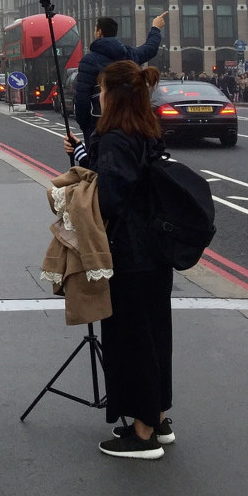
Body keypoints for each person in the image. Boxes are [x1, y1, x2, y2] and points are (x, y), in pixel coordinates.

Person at [63, 60, 173, 459]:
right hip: (157, 251)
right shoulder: (148, 131)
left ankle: (141, 434)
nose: (99, 96)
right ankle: (158, 420)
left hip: (128, 252)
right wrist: (85, 152)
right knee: (156, 337)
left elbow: (110, 198)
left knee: (131, 342)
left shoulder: (113, 138)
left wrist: (83, 159)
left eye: (102, 90)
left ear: (114, 95)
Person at [72, 13, 166, 143]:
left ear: (99, 32)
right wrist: (155, 28)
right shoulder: (129, 54)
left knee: (97, 160)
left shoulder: (89, 60)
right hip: (128, 121)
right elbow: (150, 48)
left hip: (99, 122)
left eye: (95, 29)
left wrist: (85, 126)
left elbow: (82, 98)